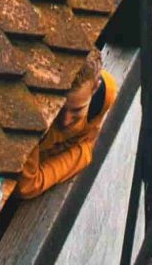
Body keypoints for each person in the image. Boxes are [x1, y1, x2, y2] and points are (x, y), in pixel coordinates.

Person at [13, 53, 115, 199]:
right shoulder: (32, 119)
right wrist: (83, 155)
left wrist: (85, 152)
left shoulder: (104, 96)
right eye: (58, 109)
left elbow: (87, 140)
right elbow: (26, 186)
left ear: (95, 88)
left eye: (77, 110)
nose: (65, 121)